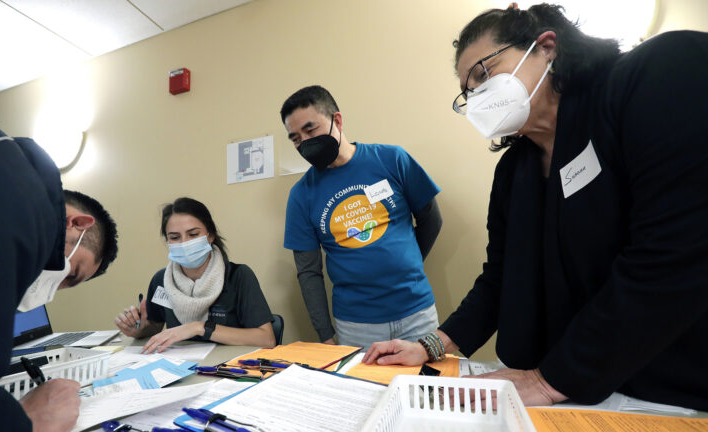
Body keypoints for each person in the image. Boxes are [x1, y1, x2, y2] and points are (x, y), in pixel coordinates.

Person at [364, 3, 708, 411]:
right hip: (563, 388)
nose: (477, 96)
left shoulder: (657, 74)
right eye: (468, 90)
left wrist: (549, 381)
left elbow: (677, 254)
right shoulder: (514, 171)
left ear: (546, 47)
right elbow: (499, 277)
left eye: (484, 74)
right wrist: (433, 344)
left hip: (667, 389)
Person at [0, 95, 119, 431]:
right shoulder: (11, 202)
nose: (56, 288)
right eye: (71, 275)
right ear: (76, 224)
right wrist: (28, 420)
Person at [281, 85, 443, 349]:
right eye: (296, 139)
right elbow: (308, 271)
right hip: (356, 326)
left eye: (310, 130)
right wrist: (324, 335)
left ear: (337, 120)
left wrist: (408, 265)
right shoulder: (301, 195)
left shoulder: (392, 160)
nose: (305, 143)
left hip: (417, 313)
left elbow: (431, 220)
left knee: (425, 389)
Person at [115, 197, 275, 351]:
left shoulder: (238, 276)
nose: (184, 243)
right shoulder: (161, 280)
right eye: (175, 237)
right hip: (178, 365)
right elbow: (155, 327)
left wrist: (199, 328)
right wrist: (137, 329)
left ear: (210, 236)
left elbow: (266, 339)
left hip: (228, 368)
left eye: (193, 235)